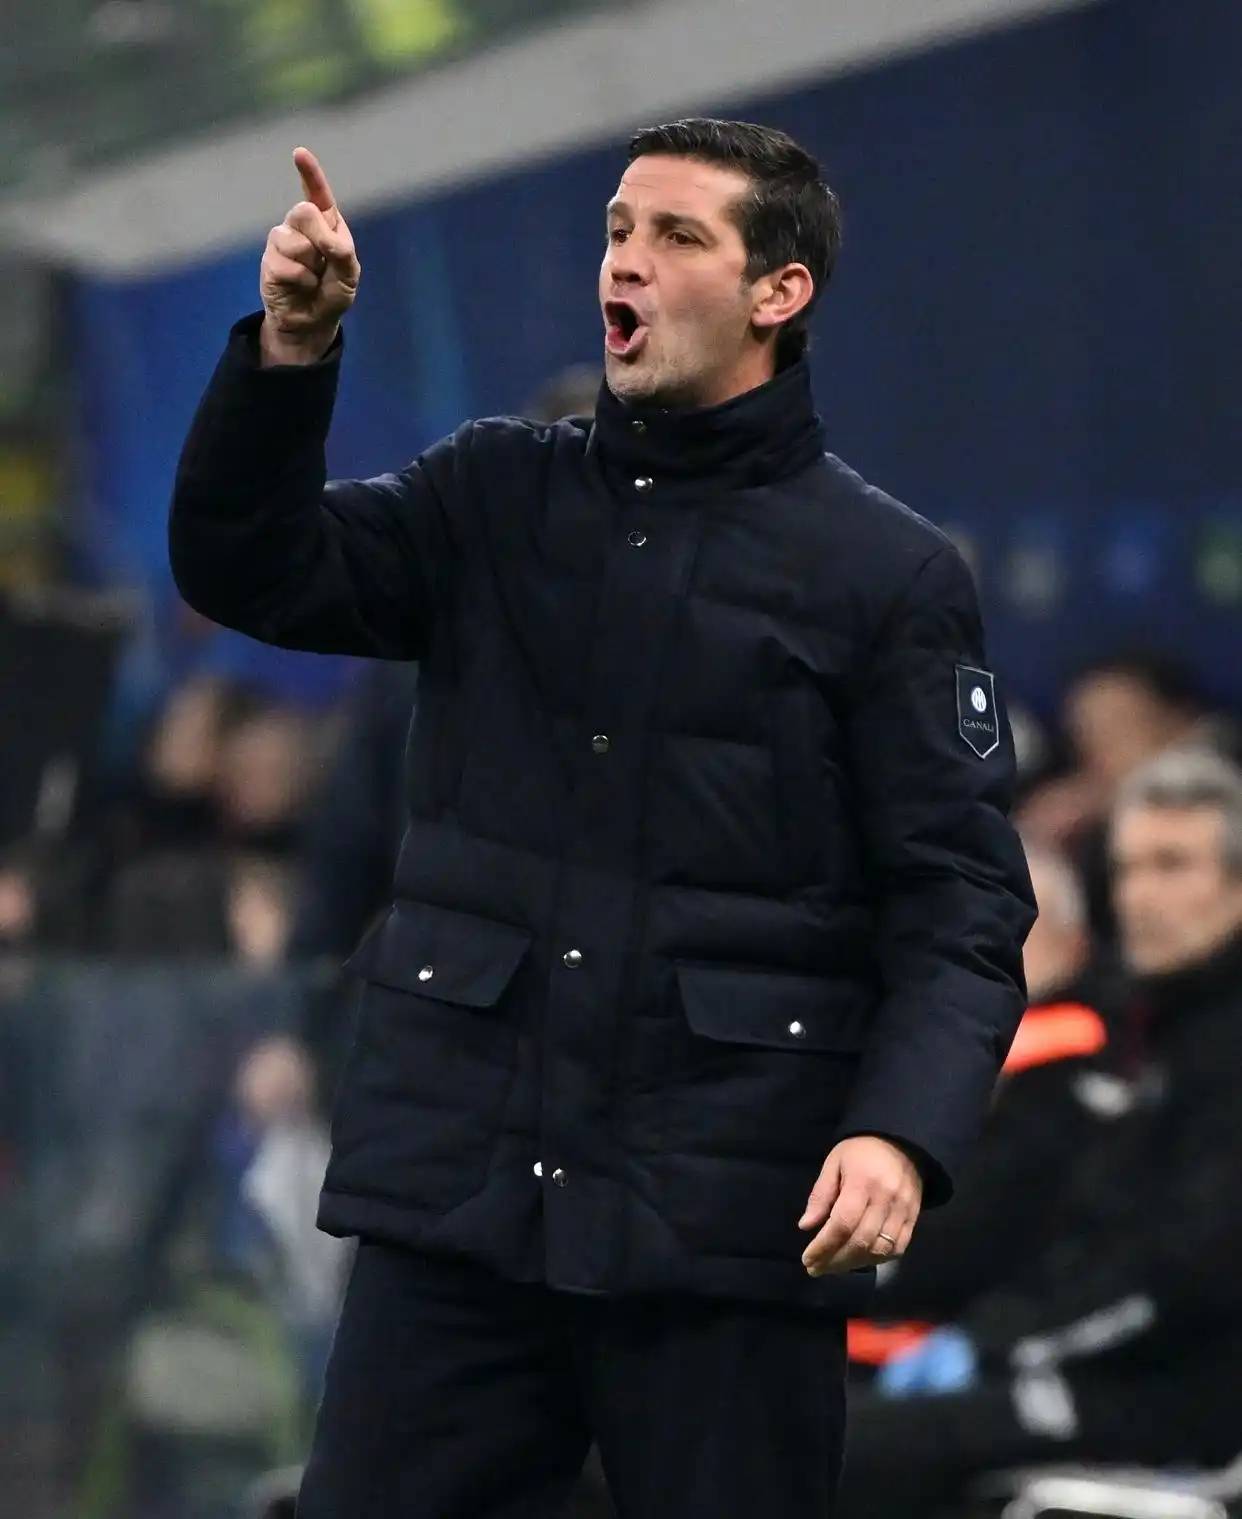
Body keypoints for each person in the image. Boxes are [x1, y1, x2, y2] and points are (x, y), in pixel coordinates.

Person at [168, 118, 1033, 1517]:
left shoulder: (887, 575)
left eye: (676, 236)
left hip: (725, 1219)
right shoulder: (489, 490)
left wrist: (898, 1132)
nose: (624, 261)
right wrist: (289, 355)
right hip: (462, 1203)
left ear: (779, 291)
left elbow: (962, 900)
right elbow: (249, 566)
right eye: (618, 230)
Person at [838, 745, 1242, 1518]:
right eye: (1126, 868)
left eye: (1173, 864)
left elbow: (1185, 1272)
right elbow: (1086, 1238)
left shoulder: (1213, 1054)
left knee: (829, 1454)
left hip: (1182, 1399)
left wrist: (999, 1345)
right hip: (1086, 1362)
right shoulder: (1147, 1032)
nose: (1140, 895)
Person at [859, 844, 1116, 1338]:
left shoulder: (1072, 1052)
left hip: (958, 1315)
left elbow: (998, 1211)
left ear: (1074, 942)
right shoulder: (940, 1032)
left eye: (1020, 927)